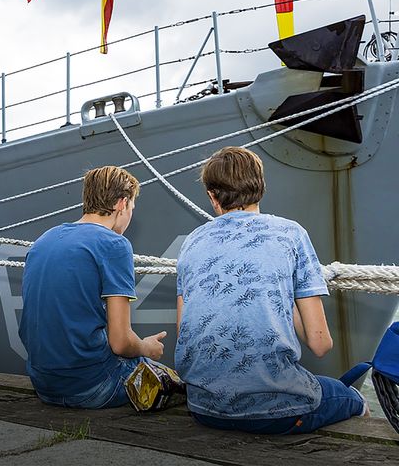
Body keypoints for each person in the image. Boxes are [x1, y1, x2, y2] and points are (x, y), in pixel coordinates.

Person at [175, 146, 367, 435]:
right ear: (261, 188)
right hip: (275, 412)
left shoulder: (191, 241)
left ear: (212, 198)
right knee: (351, 398)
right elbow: (320, 343)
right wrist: (286, 299)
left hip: (204, 408)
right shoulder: (291, 234)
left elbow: (185, 334)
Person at [19, 165, 167, 409]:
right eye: (131, 208)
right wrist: (146, 348)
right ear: (122, 203)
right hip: (92, 385)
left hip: (44, 383)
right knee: (175, 383)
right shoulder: (114, 244)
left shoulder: (43, 240)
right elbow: (120, 342)